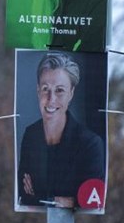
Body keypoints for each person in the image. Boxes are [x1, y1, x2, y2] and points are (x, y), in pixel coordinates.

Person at [18, 51, 104, 208]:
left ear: (71, 93)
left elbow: (91, 202)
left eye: (59, 90)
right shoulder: (31, 136)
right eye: (45, 89)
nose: (51, 99)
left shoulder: (90, 144)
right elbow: (23, 196)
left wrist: (42, 198)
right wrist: (62, 200)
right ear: (38, 91)